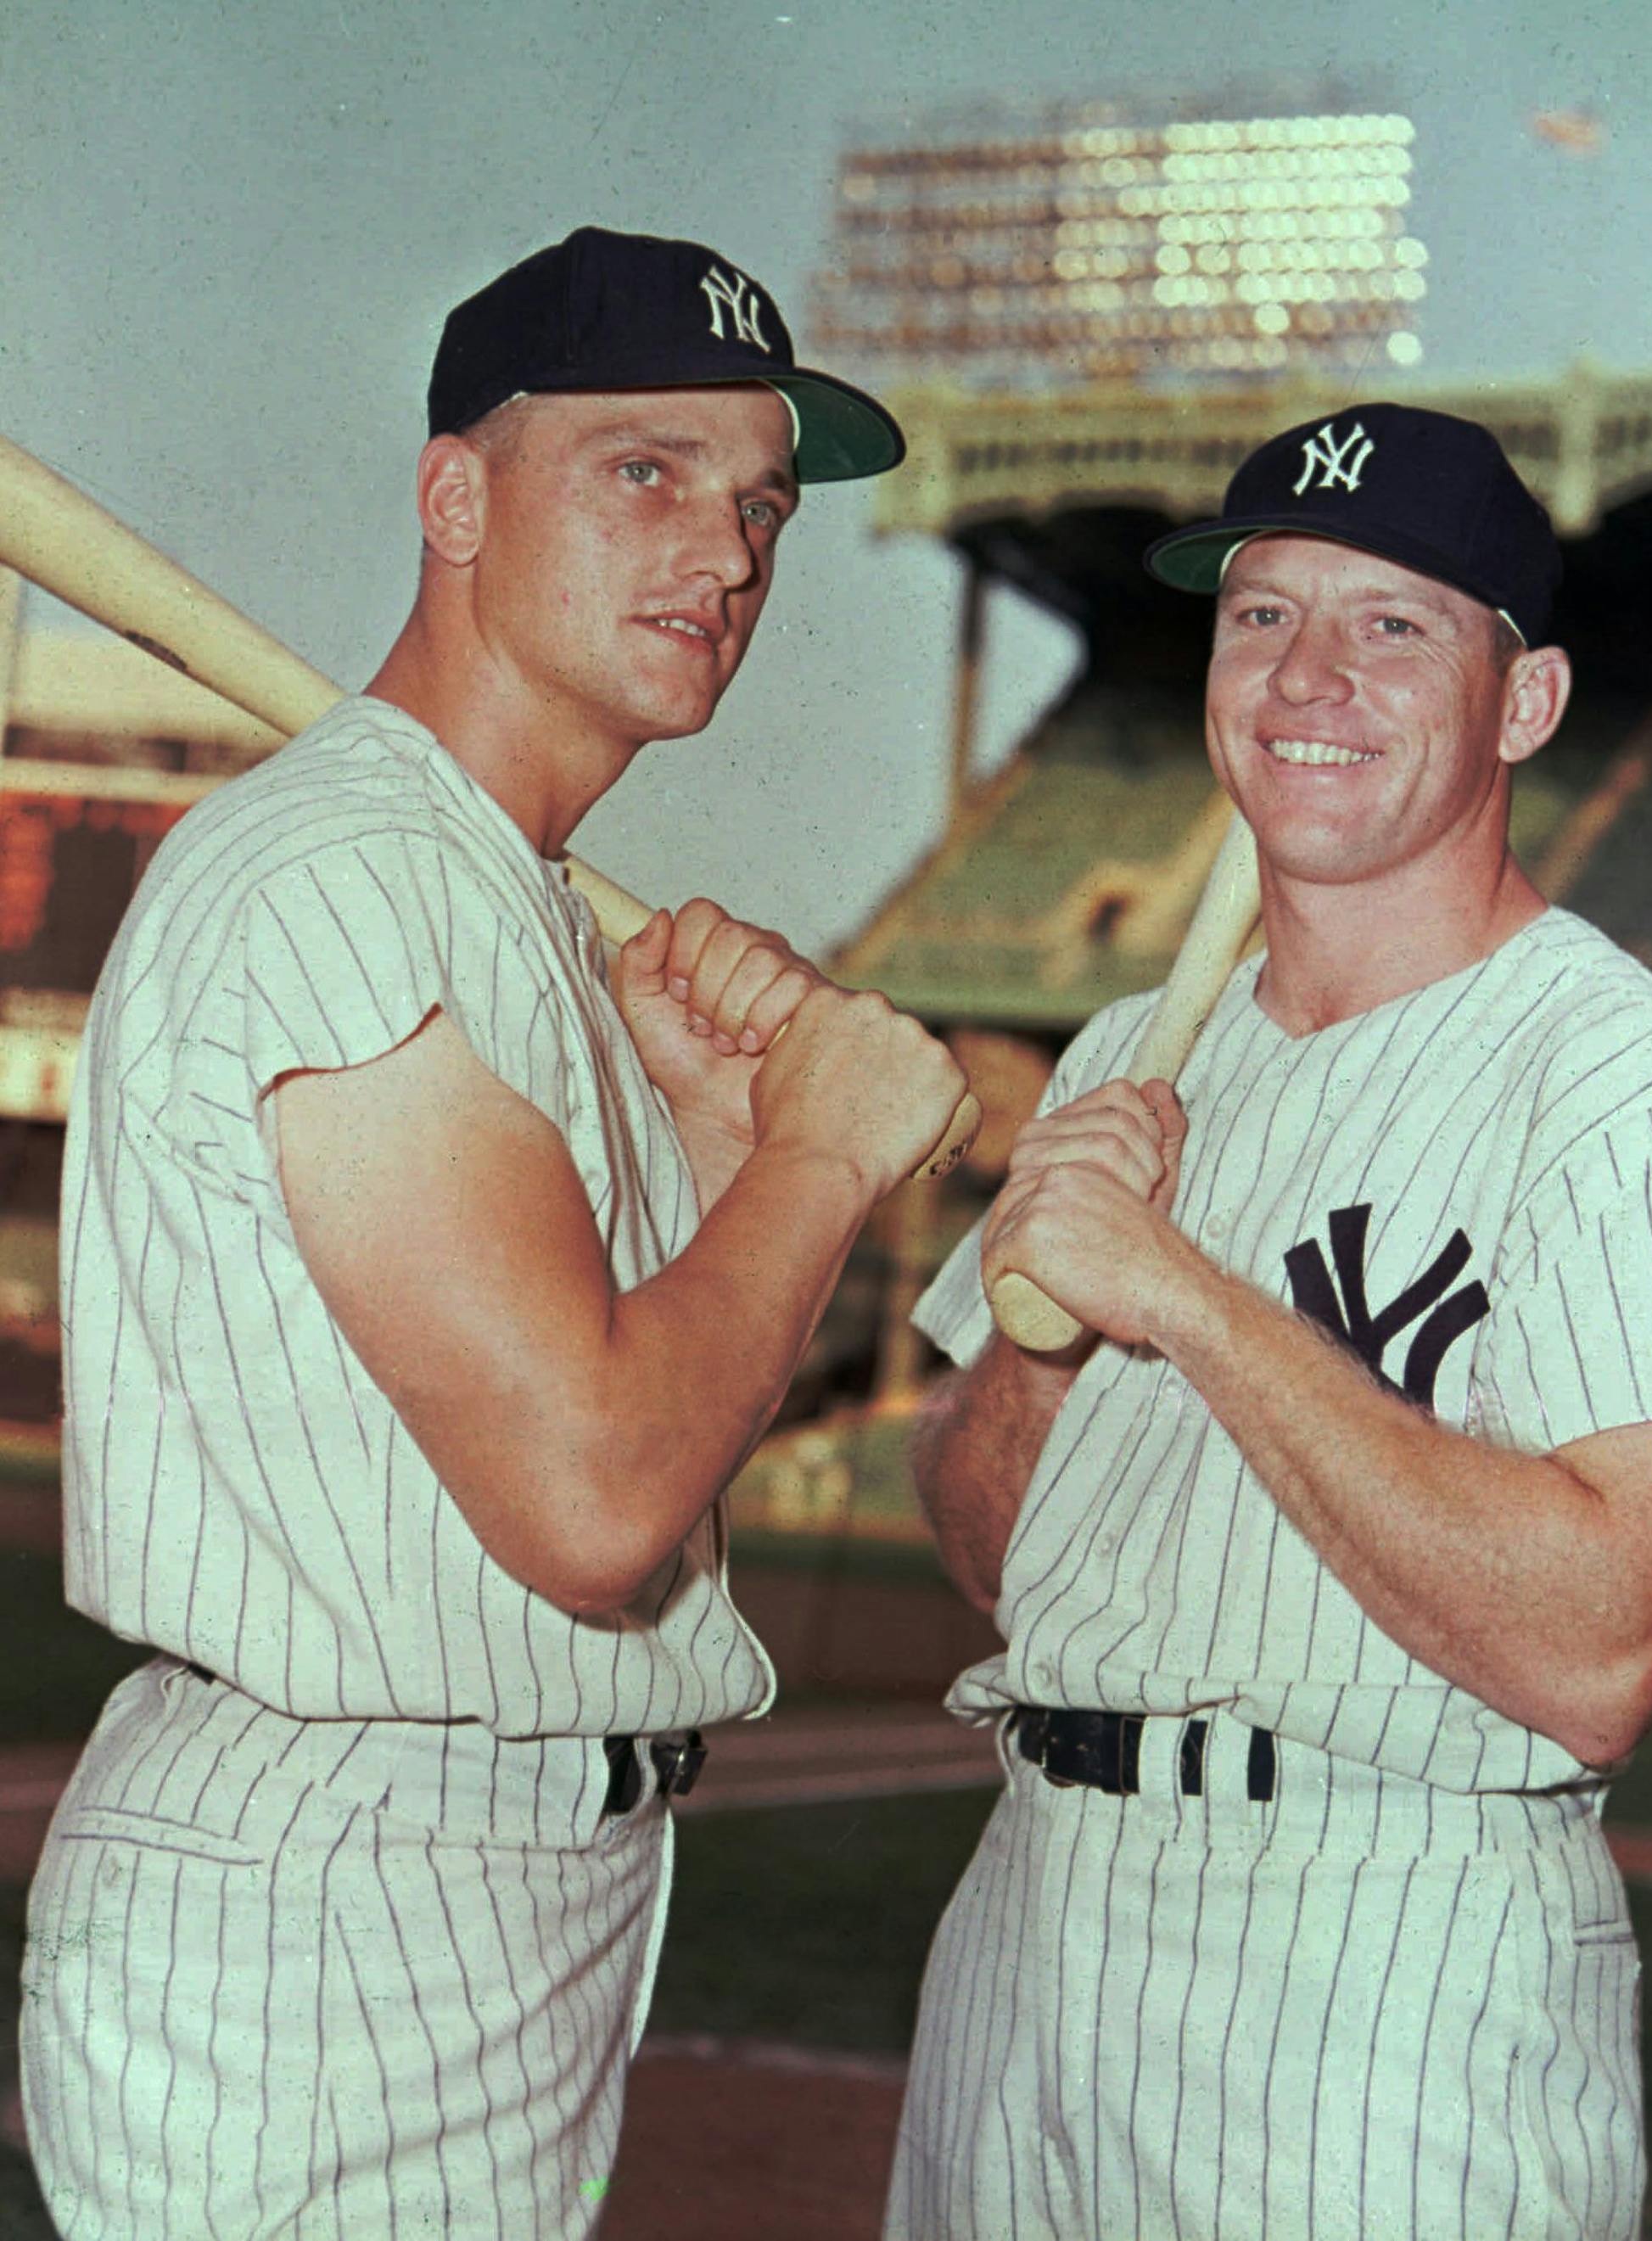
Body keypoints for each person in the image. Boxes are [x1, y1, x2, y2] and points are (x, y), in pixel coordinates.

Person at [22, 226, 966, 2238]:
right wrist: (821, 1156)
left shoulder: (485, 890)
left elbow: (614, 1394)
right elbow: (593, 1492)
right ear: (455, 498)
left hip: (482, 1883)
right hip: (335, 1902)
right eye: (645, 470)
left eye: (760, 504)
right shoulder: (352, 872)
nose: (725, 551)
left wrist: (712, 1152)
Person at [885, 403, 1652, 2241]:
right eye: (1262, 616)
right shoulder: (1130, 1054)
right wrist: (1046, 1340)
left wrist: (1186, 1298)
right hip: (1030, 1915)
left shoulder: (1628, 1092)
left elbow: (1603, 1649)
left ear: (1527, 702)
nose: (1307, 675)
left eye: (1392, 624)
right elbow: (997, 1557)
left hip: (1377, 1957)